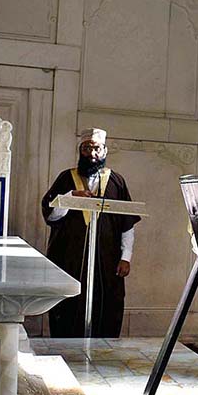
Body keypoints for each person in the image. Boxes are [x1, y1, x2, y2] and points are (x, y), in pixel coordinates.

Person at [41, 128, 141, 338]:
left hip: (107, 259)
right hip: (69, 258)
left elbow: (127, 223)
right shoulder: (66, 178)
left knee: (107, 304)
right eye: (87, 148)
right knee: (68, 304)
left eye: (96, 148)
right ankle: (67, 347)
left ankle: (102, 349)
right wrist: (71, 196)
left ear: (104, 151)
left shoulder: (116, 181)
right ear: (80, 151)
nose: (92, 153)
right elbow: (51, 215)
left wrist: (126, 257)